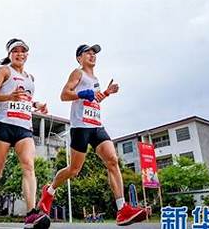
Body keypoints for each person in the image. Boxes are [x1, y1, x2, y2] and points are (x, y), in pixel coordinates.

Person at [37, 44, 147, 226]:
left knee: (112, 160)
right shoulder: (77, 73)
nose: (92, 55)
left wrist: (106, 93)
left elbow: (94, 99)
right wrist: (85, 93)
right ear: (79, 58)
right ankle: (49, 190)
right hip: (81, 126)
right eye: (87, 52)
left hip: (96, 125)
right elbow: (64, 95)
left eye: (94, 53)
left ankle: (122, 209)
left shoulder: (95, 78)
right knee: (74, 169)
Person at [0, 38, 50, 229]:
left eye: (23, 51)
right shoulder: (4, 71)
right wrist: (9, 96)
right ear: (10, 54)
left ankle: (31, 214)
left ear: (27, 54)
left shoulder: (31, 78)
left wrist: (37, 105)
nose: (19, 54)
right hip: (4, 124)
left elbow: (26, 99)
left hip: (24, 127)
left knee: (29, 166)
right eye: (15, 51)